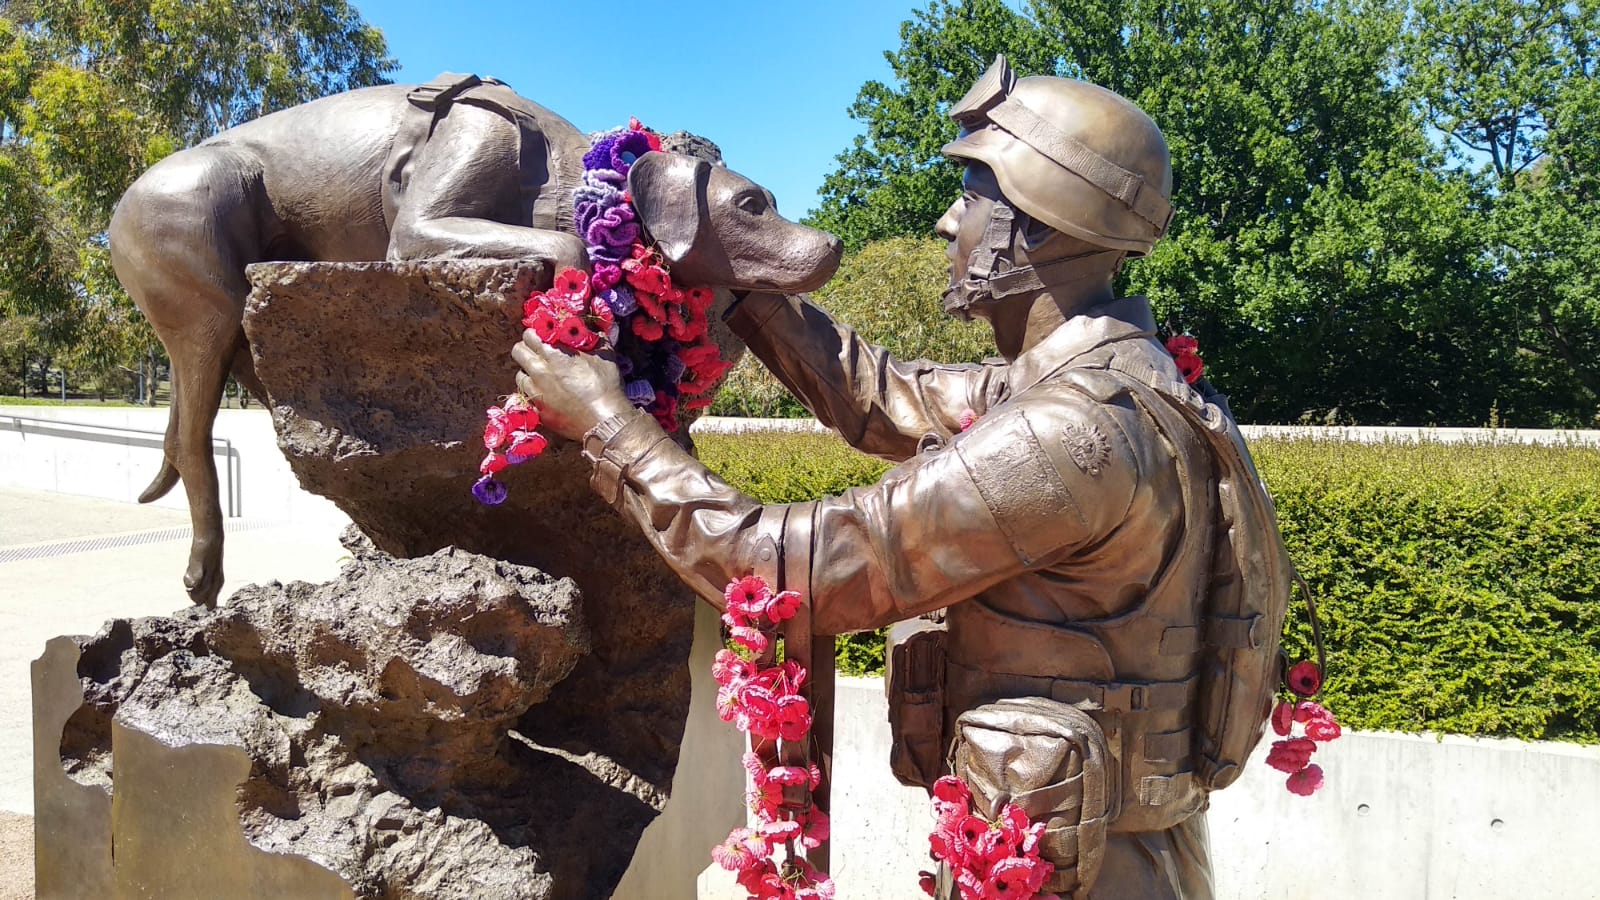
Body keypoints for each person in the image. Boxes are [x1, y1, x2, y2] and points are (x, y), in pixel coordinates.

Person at [514, 56, 1282, 899]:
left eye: (973, 198)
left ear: (1042, 230)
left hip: (1078, 878)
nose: (947, 223)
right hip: (1105, 853)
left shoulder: (1069, 434)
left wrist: (608, 425)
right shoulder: (1120, 382)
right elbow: (884, 397)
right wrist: (742, 276)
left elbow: (793, 568)